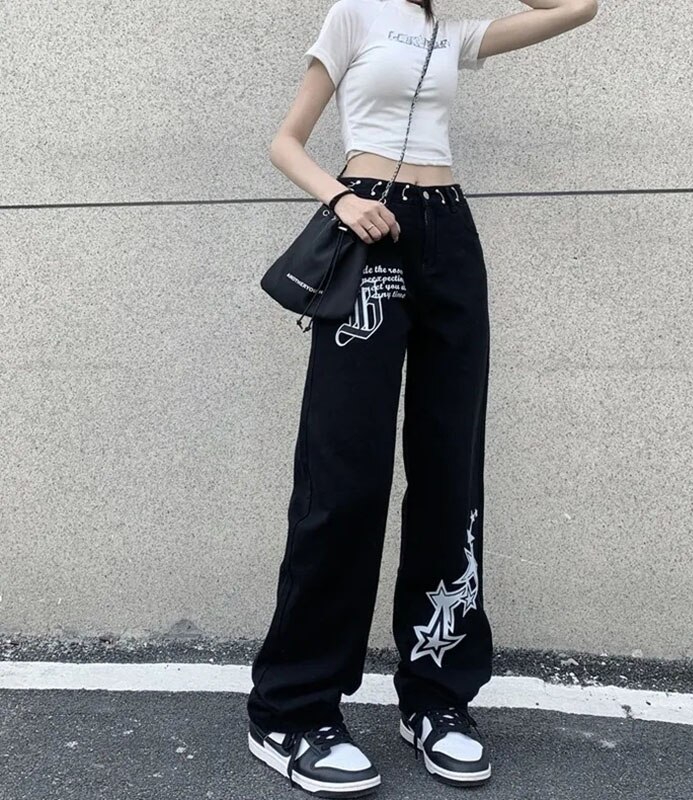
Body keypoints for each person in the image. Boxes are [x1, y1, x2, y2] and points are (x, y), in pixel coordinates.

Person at [247, 0, 598, 795]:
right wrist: (341, 198)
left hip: (450, 235)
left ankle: (436, 697)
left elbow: (578, 7)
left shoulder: (455, 33)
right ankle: (291, 710)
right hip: (368, 230)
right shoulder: (355, 14)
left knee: (450, 473)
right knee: (344, 475)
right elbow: (285, 140)